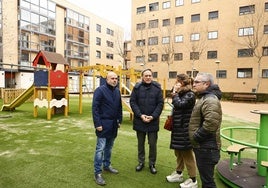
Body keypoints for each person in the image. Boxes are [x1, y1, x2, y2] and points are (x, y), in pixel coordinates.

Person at [189, 72, 222, 188]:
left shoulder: (210, 100)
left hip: (207, 148)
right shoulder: (204, 98)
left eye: (197, 82)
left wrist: (196, 137)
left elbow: (211, 123)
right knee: (206, 179)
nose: (194, 84)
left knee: (208, 182)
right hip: (204, 147)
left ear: (207, 84)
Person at [166, 74, 198, 188]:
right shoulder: (182, 93)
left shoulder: (190, 94)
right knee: (178, 152)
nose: (175, 83)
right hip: (178, 128)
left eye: (177, 81)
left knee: (187, 154)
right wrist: (175, 92)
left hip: (185, 129)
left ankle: (193, 179)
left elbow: (180, 104)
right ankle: (179, 173)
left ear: (181, 82)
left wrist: (175, 93)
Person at [130, 69, 164, 174]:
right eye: (146, 75)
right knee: (141, 144)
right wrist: (140, 115)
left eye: (150, 75)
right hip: (140, 120)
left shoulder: (157, 89)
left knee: (152, 144)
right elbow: (133, 102)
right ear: (142, 77)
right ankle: (141, 162)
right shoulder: (136, 88)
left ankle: (152, 164)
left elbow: (160, 104)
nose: (148, 77)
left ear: (152, 77)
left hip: (152, 121)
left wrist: (153, 116)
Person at [92, 71, 123, 186]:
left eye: (116, 78)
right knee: (100, 149)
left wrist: (119, 120)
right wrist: (97, 124)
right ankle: (97, 172)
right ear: (107, 79)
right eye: (112, 78)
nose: (115, 80)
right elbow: (95, 108)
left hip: (114, 125)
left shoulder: (117, 91)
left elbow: (119, 107)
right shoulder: (100, 90)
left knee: (109, 148)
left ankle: (107, 166)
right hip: (103, 125)